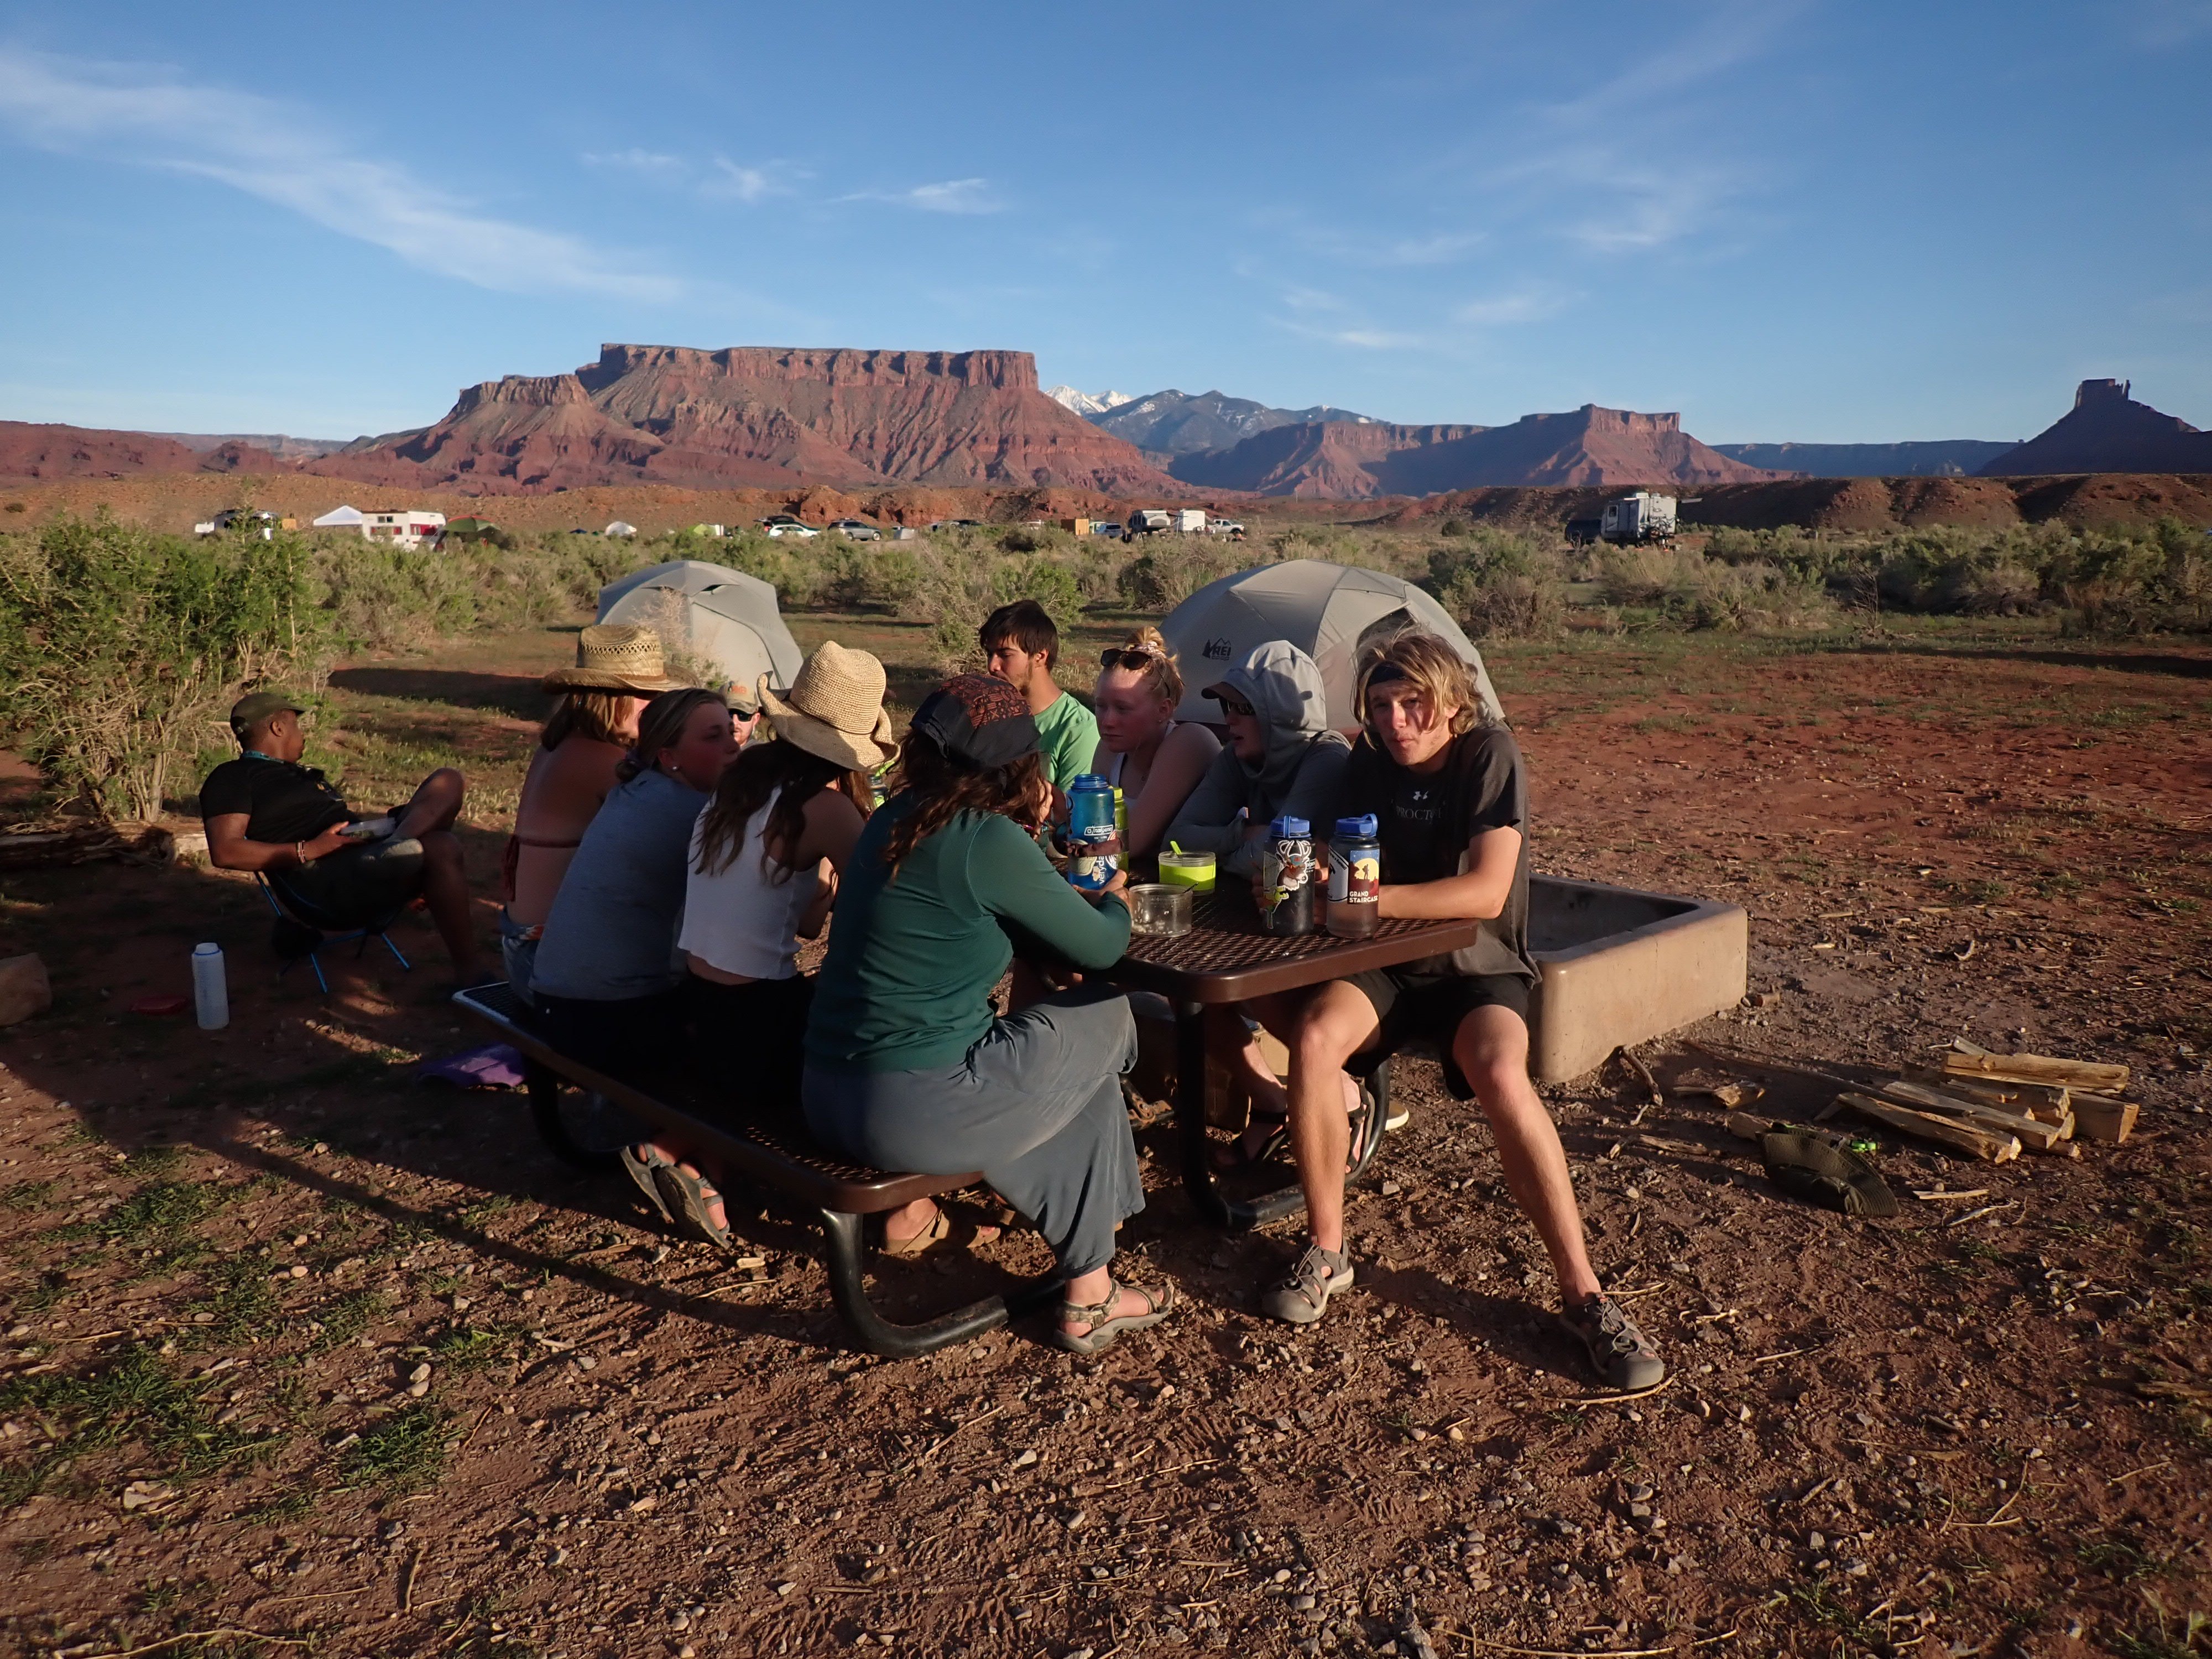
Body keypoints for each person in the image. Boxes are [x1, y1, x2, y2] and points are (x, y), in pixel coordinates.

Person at [1262, 630, 1665, 1389]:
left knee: (1500, 1070)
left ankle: (1584, 1294)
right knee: (1314, 1037)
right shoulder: (1368, 762)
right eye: (1382, 705)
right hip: (1383, 966)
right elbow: (1344, 855)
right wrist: (1319, 867)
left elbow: (1484, 893)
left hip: (1475, 969)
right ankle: (1326, 1249)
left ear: (1451, 702)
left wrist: (1362, 898)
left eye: (1414, 703)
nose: (1398, 721)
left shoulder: (1490, 755)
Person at [802, 674, 1172, 1354]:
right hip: (914, 1111)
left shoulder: (895, 814)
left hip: (827, 1090)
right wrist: (1114, 892)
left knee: (1069, 1052)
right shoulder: (984, 838)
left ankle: (1095, 1260)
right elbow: (1101, 945)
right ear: (1016, 763)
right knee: (1107, 1016)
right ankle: (1091, 1292)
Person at [648, 643, 894, 1245]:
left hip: (699, 999)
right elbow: (891, 908)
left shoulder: (744, 780)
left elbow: (796, 919)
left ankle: (689, 1153)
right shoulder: (825, 807)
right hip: (757, 1019)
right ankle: (699, 1158)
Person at [1161, 640, 1354, 1147]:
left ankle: (1345, 1093)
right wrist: (1242, 836)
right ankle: (1271, 1102)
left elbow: (1281, 860)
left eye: (1244, 708)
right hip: (1251, 915)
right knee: (1189, 986)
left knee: (1230, 983)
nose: (1230, 719)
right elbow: (1177, 840)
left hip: (1322, 927)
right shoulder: (1236, 759)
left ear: (1281, 712)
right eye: (1226, 707)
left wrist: (1245, 843)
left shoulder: (1326, 756)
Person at [528, 687, 740, 1112]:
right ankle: (695, 1149)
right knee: (760, 1016)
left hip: (557, 1003)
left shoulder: (639, 789)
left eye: (732, 733)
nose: (734, 746)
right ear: (669, 757)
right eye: (713, 737)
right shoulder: (696, 815)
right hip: (608, 1018)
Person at [200, 690, 482, 981]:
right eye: (298, 725)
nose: (302, 733)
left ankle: (398, 848)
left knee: (448, 781)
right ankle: (404, 858)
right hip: (325, 883)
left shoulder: (301, 775)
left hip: (363, 853)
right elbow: (225, 851)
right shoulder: (233, 776)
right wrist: (310, 849)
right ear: (279, 728)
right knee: (441, 846)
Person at [501, 625, 682, 999]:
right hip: (551, 962)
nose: (655, 706)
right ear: (609, 697)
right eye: (644, 694)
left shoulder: (562, 746)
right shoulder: (604, 761)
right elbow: (675, 816)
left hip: (531, 948)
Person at [1086, 624, 1219, 860]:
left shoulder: (1190, 742)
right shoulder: (1110, 750)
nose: (1107, 721)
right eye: (1101, 706)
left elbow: (1130, 843)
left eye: (1123, 709)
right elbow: (1090, 830)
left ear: (1164, 710)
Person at [980, 598, 1097, 794]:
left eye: (1005, 655)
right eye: (990, 654)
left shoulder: (1078, 729)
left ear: (1040, 657)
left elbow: (1071, 815)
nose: (993, 666)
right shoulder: (989, 715)